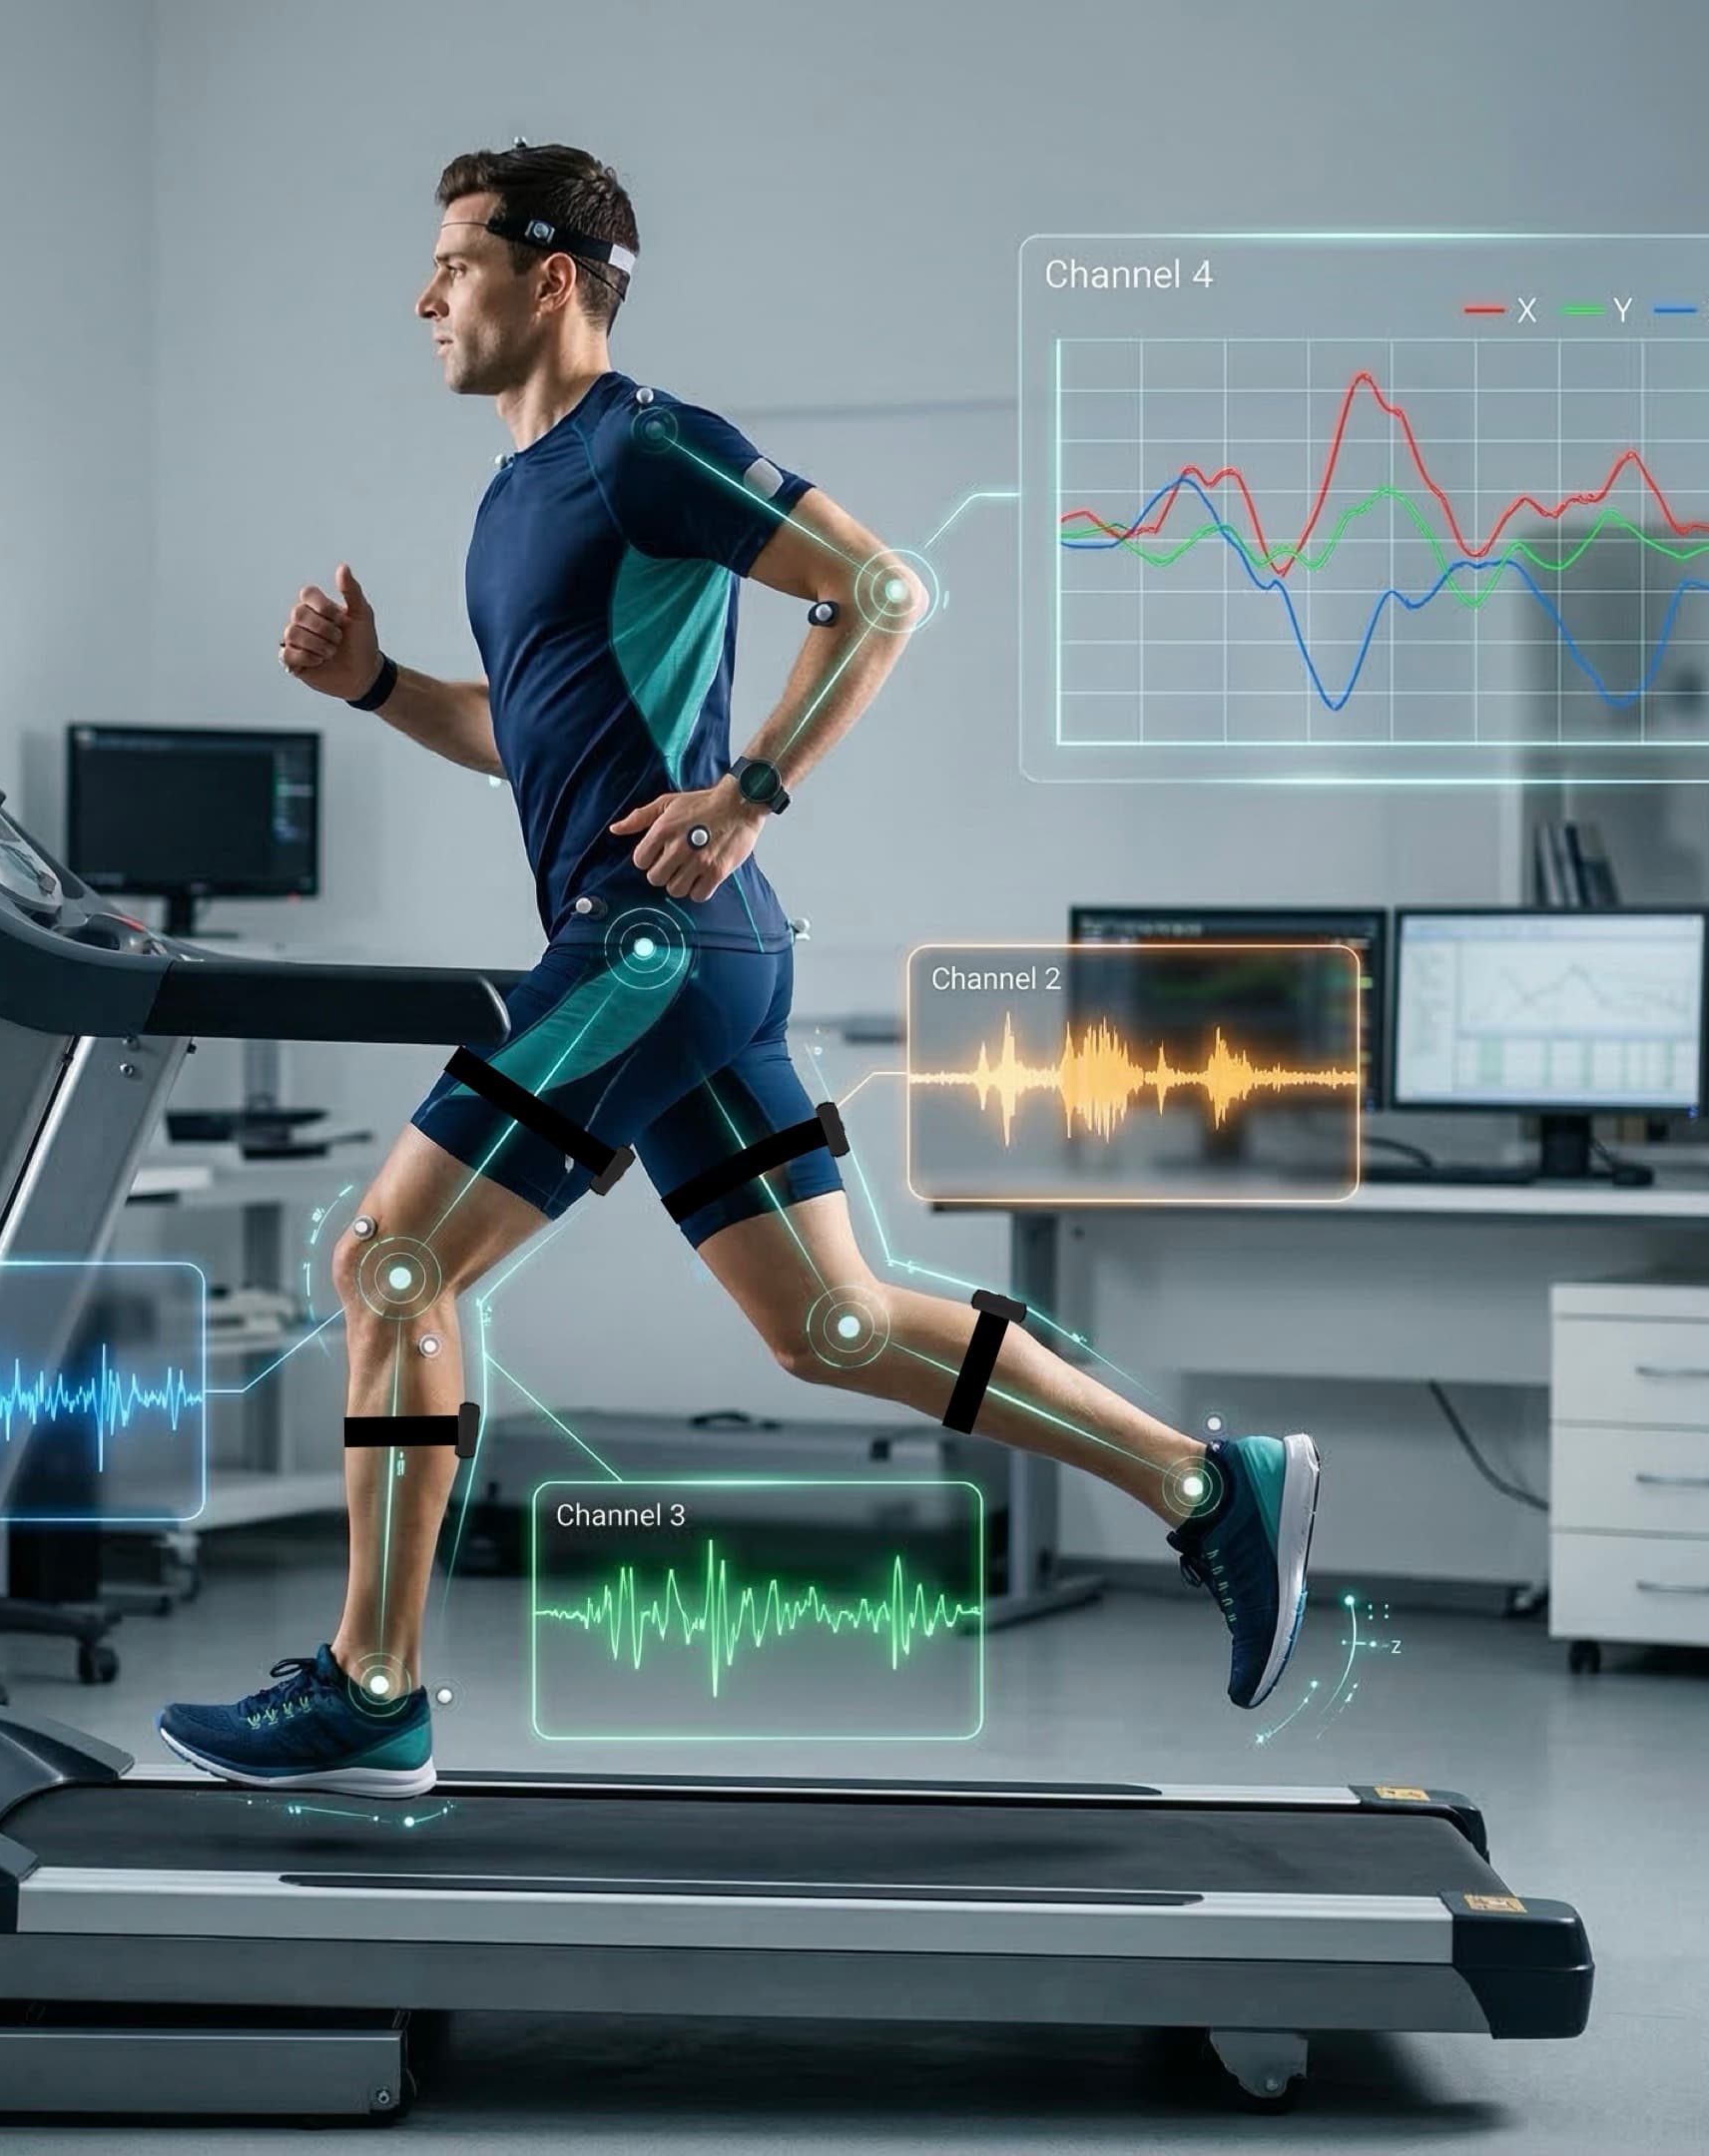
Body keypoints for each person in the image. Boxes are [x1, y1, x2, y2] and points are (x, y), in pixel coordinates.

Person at [157, 144, 1318, 1797]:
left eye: (453, 264)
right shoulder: (513, 496)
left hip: (650, 945)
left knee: (392, 1265)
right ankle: (1207, 1485)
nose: (424, 298)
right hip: (693, 955)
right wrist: (379, 687)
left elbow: (878, 587)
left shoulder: (645, 445)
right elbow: (528, 738)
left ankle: (372, 1687)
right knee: (831, 1325)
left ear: (551, 276)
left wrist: (750, 788)